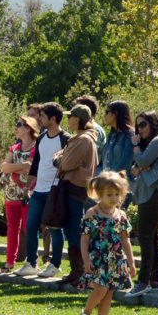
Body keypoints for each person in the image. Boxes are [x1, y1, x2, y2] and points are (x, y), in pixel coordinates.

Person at [77, 172, 135, 315]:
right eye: (109, 195)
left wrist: (131, 262)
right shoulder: (92, 213)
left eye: (117, 194)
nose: (114, 198)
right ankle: (86, 312)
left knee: (107, 296)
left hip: (115, 261)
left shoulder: (121, 216)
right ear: (99, 194)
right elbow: (84, 239)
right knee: (100, 290)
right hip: (98, 260)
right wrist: (86, 259)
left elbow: (126, 240)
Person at [16, 104, 71, 276]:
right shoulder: (40, 138)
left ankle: (55, 265)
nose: (38, 119)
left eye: (42, 116)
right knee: (31, 227)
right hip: (38, 191)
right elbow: (36, 165)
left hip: (54, 191)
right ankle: (31, 264)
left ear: (53, 119)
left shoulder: (66, 138)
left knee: (55, 228)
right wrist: (27, 187)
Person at [125, 110, 158, 297]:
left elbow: (143, 161)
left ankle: (142, 282)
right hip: (150, 195)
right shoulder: (151, 144)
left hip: (156, 196)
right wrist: (139, 164)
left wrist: (136, 147)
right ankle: (155, 281)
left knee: (145, 238)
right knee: (152, 238)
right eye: (138, 126)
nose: (139, 129)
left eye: (143, 124)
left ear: (154, 124)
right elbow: (136, 166)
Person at [54, 105, 100, 287]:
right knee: (70, 229)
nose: (68, 120)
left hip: (74, 188)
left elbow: (65, 162)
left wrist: (58, 159)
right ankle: (76, 271)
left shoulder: (83, 140)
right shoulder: (80, 138)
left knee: (74, 231)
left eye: (71, 117)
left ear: (78, 119)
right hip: (72, 188)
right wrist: (61, 158)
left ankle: (80, 272)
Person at [0, 116, 38, 272]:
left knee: (29, 228)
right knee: (12, 228)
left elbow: (31, 168)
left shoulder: (37, 147)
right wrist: (21, 165)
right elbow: (4, 167)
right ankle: (9, 262)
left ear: (28, 128)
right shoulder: (14, 148)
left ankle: (31, 262)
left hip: (28, 192)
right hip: (11, 193)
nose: (16, 127)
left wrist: (13, 166)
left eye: (19, 125)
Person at [99, 100, 136, 205]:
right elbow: (104, 160)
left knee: (117, 218)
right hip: (107, 185)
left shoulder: (129, 135)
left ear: (116, 114)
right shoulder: (112, 134)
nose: (105, 115)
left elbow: (125, 162)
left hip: (121, 187)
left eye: (107, 112)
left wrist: (107, 179)